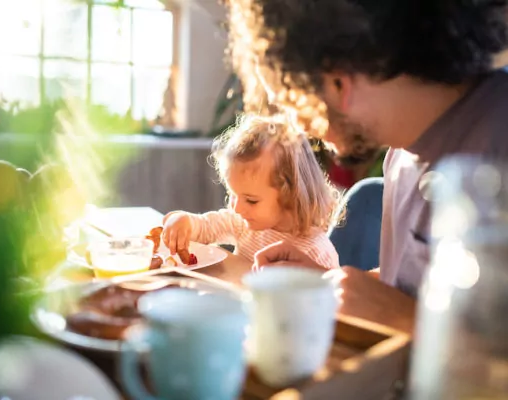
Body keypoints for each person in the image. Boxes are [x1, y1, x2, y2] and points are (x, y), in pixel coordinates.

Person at [227, 0, 508, 296]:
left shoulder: (498, 138)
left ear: (338, 83)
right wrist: (325, 281)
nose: (300, 127)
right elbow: (405, 289)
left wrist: (402, 319)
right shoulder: (400, 153)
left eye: (293, 104)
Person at [162, 114, 341, 269]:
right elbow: (207, 227)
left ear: (291, 196)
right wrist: (186, 223)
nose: (237, 209)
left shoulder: (315, 253)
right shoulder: (244, 222)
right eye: (233, 195)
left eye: (251, 200)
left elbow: (331, 304)